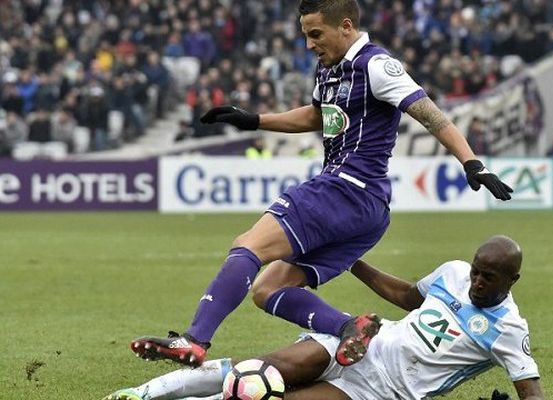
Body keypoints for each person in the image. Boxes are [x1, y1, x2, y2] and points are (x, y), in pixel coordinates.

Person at [131, 0, 513, 369]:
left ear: (346, 26)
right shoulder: (330, 68)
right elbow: (317, 116)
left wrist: (471, 162)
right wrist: (254, 120)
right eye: (305, 36)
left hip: (346, 188)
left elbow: (430, 114)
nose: (310, 44)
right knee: (268, 290)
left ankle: (195, 340)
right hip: (367, 211)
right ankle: (351, 328)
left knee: (248, 245)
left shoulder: (376, 65)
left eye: (316, 34)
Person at [107, 235, 543, 400]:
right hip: (362, 342)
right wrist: (355, 261)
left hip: (380, 391)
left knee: (258, 396)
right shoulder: (453, 273)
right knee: (259, 371)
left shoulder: (508, 330)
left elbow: (531, 391)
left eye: (488, 277)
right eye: (476, 270)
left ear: (512, 279)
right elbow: (408, 296)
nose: (476, 281)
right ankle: (140, 394)